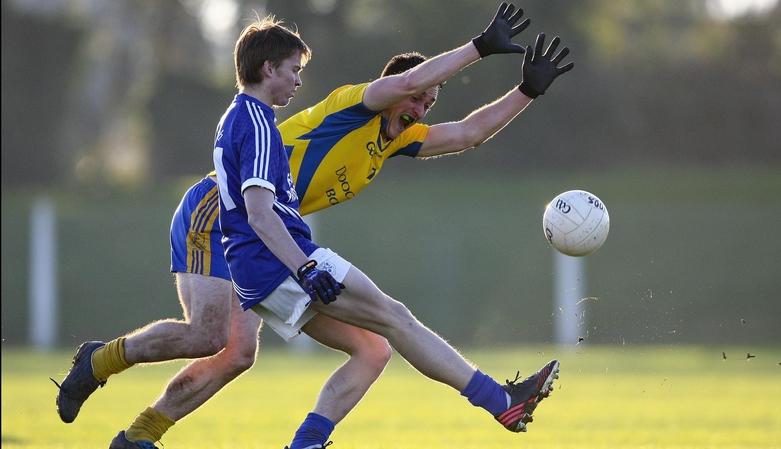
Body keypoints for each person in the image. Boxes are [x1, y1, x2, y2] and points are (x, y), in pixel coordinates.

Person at [53, 3, 573, 448]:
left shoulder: (394, 139)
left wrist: (526, 90)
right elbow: (412, 78)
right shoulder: (355, 104)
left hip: (268, 235)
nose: (420, 108)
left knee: (349, 347)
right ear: (392, 89)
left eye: (428, 105)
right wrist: (479, 46)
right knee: (210, 336)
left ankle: (146, 435)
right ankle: (99, 363)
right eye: (416, 98)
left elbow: (467, 134)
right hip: (220, 211)